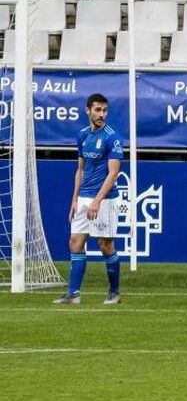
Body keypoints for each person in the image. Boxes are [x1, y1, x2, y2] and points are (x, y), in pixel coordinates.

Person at [54, 93, 123, 305]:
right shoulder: (83, 135)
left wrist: (97, 201)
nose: (102, 114)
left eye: (104, 110)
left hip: (106, 200)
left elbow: (113, 174)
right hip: (83, 197)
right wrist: (74, 199)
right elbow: (80, 169)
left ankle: (114, 292)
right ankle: (73, 294)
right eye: (98, 110)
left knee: (105, 245)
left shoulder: (113, 137)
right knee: (75, 242)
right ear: (88, 110)